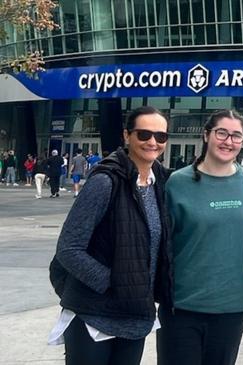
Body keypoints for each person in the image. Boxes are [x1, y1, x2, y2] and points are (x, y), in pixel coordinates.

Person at [47, 106, 171, 365]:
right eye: (144, 134)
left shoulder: (160, 182)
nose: (152, 142)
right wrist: (112, 282)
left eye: (160, 136)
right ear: (127, 135)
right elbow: (69, 248)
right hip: (94, 314)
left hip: (136, 315)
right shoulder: (105, 181)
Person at [156, 109, 243, 365]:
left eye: (236, 136)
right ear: (206, 135)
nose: (229, 141)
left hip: (230, 308)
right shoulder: (177, 183)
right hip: (181, 307)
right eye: (222, 133)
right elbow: (161, 242)